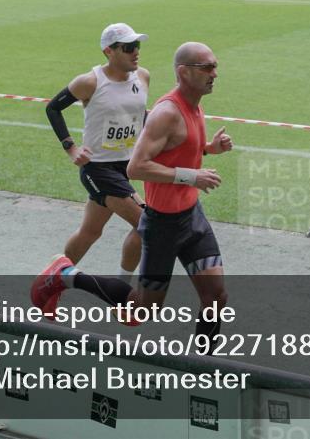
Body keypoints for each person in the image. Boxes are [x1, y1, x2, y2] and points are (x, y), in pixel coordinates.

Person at [32, 42, 232, 343]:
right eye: (207, 67)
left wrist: (209, 150)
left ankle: (203, 373)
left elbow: (178, 149)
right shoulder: (167, 112)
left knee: (216, 299)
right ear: (183, 72)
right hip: (162, 225)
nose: (215, 73)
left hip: (193, 219)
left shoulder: (196, 106)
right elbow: (136, 168)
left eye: (215, 66)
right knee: (139, 311)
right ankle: (66, 275)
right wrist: (192, 177)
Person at [44, 23, 150, 278]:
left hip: (126, 167)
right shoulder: (90, 82)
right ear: (108, 52)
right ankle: (123, 291)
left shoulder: (143, 77)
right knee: (147, 225)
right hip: (98, 169)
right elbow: (53, 108)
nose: (136, 52)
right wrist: (71, 148)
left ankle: (51, 281)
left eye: (137, 46)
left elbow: (139, 116)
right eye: (128, 47)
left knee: (90, 232)